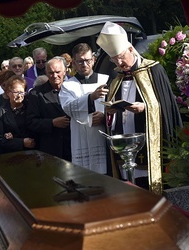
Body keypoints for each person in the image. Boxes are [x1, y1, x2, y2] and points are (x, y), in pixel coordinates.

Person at [96, 21, 182, 192]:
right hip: (123, 148)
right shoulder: (116, 79)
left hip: (148, 147)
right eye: (114, 59)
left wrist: (145, 108)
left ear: (130, 49)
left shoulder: (153, 70)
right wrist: (110, 112)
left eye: (121, 56)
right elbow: (109, 115)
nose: (119, 63)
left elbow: (166, 106)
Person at [59, 43, 109, 174]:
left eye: (87, 60)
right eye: (80, 61)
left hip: (103, 134)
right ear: (74, 63)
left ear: (93, 60)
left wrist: (104, 117)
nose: (84, 64)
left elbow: (114, 105)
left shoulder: (106, 80)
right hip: (80, 136)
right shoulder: (67, 85)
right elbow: (68, 107)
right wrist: (90, 98)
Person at [27, 57, 71, 160]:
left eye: (58, 72)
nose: (55, 76)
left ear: (64, 71)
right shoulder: (36, 94)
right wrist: (52, 123)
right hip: (51, 149)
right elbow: (30, 122)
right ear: (46, 73)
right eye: (51, 73)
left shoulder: (73, 89)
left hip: (73, 146)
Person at [0, 75, 36, 154]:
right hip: (11, 155)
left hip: (33, 153)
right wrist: (21, 142)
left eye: (22, 92)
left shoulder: (30, 108)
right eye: (16, 92)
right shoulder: (0, 112)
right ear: (8, 93)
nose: (19, 95)